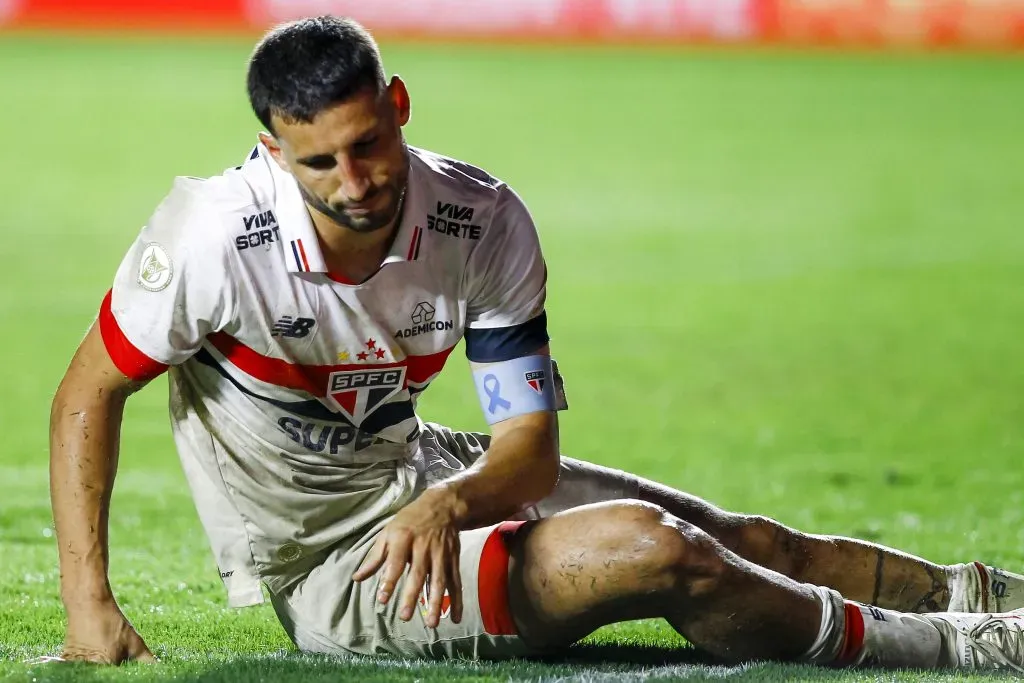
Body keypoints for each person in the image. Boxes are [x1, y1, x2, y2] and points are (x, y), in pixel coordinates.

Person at [49, 15, 1024, 672]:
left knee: (746, 539)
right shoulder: (211, 239)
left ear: (397, 103)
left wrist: (448, 499)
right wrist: (88, 601)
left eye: (367, 144)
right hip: (335, 571)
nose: (352, 180)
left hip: (426, 474)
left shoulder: (479, 218)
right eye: (318, 160)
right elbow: (87, 392)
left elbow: (528, 450)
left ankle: (986, 592)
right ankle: (962, 647)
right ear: (271, 150)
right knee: (657, 550)